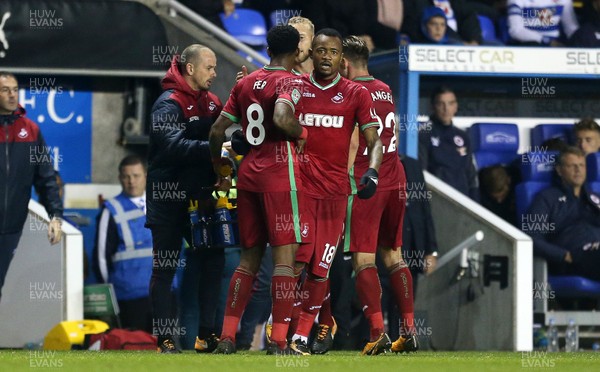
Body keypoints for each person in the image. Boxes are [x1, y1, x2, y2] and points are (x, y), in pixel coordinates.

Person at [209, 25, 309, 356]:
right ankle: (279, 341)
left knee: (247, 260)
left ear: (267, 49)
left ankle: (226, 337)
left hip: (248, 173)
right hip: (280, 173)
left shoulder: (246, 82)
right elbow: (282, 117)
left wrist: (220, 170)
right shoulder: (291, 81)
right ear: (296, 52)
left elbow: (217, 130)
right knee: (284, 259)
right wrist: (302, 132)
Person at [288, 28, 383, 355]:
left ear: (342, 58)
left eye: (332, 51)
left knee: (320, 268)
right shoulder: (296, 88)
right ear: (311, 54)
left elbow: (374, 138)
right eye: (320, 50)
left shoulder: (357, 94)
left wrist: (372, 169)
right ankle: (284, 328)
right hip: (300, 189)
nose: (326, 56)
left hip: (334, 194)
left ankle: (301, 335)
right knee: (297, 262)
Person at [329, 35, 416, 356]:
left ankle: (377, 331)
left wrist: (341, 177)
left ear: (346, 63)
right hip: (395, 178)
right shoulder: (384, 88)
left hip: (365, 182)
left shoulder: (350, 91)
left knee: (364, 260)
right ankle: (408, 330)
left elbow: (354, 140)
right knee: (394, 256)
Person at [147, 44, 225, 353]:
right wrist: (217, 148)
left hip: (201, 198)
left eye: (216, 66)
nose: (214, 73)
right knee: (164, 266)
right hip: (167, 198)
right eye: (210, 67)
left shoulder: (213, 102)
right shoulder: (167, 104)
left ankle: (206, 335)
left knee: (213, 261)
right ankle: (165, 339)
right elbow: (171, 147)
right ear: (190, 69)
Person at [0, 71, 63, 302]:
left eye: (15, 89)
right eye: (5, 90)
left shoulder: (31, 130)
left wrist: (55, 215)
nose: (11, 95)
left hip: (11, 227)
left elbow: (45, 178)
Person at [94, 155, 152, 332]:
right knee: (135, 348)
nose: (131, 181)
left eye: (136, 176)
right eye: (126, 177)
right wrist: (110, 292)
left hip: (163, 293)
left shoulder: (160, 204)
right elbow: (101, 258)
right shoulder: (111, 210)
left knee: (165, 350)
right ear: (120, 178)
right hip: (129, 294)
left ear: (146, 176)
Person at [525, 147, 600, 282]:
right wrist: (564, 255)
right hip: (572, 259)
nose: (578, 170)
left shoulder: (594, 199)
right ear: (559, 170)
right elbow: (532, 237)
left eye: (581, 165)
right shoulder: (546, 198)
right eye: (572, 166)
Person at [419, 85, 479, 201]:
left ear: (456, 106)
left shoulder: (463, 136)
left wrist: (476, 203)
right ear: (432, 107)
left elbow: (471, 176)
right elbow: (421, 174)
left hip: (464, 203)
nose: (446, 109)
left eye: (450, 103)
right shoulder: (423, 135)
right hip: (438, 201)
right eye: (441, 104)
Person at [402, 0, 483, 45]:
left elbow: (469, 16)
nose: (438, 29)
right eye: (434, 24)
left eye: (442, 25)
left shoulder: (455, 45)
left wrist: (474, 41)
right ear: (424, 26)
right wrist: (403, 51)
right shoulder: (415, 4)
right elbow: (402, 62)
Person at [507, 0, 578, 46]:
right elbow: (516, 31)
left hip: (555, 47)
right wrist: (546, 41)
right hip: (526, 45)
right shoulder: (517, 1)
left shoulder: (564, 1)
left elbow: (572, 30)